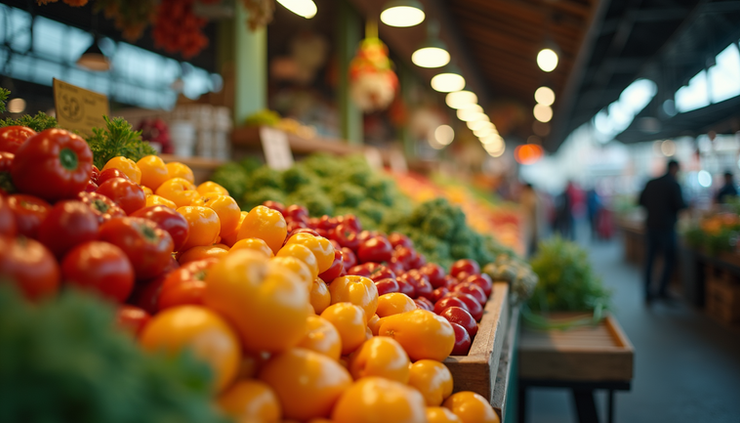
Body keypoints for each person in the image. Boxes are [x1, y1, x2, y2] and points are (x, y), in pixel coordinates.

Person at [638, 160, 687, 303]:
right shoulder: (673, 184)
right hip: (666, 228)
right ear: (674, 168)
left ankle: (648, 292)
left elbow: (640, 202)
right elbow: (680, 205)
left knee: (649, 260)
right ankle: (662, 290)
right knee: (669, 259)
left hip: (651, 227)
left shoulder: (651, 182)